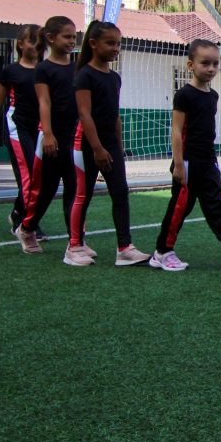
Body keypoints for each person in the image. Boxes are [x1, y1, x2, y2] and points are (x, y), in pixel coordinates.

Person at [152, 40, 221, 272]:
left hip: (209, 161)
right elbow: (177, 131)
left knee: (216, 205)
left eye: (215, 63)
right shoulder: (184, 95)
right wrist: (179, 164)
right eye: (205, 63)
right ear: (191, 65)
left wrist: (213, 162)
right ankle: (162, 252)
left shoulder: (213, 95)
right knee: (180, 207)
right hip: (188, 163)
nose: (211, 68)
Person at [65, 20, 151, 267]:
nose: (116, 48)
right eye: (110, 43)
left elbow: (114, 114)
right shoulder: (84, 75)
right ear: (93, 44)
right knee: (83, 193)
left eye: (118, 43)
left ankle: (124, 248)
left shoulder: (114, 77)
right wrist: (97, 148)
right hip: (86, 144)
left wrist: (117, 146)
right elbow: (85, 114)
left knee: (120, 192)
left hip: (110, 144)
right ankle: (74, 246)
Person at [15, 16, 80, 253]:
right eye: (66, 36)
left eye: (74, 37)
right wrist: (48, 133)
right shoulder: (43, 69)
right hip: (52, 138)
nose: (71, 41)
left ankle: (76, 240)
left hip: (73, 137)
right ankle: (26, 227)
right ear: (51, 39)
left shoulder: (76, 67)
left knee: (74, 188)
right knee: (44, 190)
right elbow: (44, 102)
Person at [0, 24, 46, 239]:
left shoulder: (45, 69)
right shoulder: (11, 71)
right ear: (21, 44)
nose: (37, 47)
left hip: (41, 128)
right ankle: (24, 223)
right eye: (32, 41)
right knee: (29, 176)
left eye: (41, 43)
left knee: (41, 177)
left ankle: (18, 212)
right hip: (17, 128)